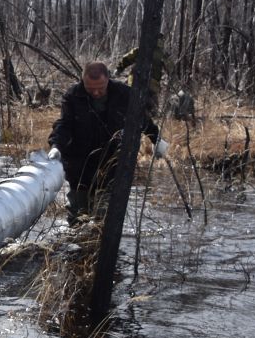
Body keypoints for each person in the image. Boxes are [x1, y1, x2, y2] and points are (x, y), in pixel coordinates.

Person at [48, 61, 170, 222]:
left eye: (100, 88)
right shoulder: (73, 96)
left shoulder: (124, 94)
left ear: (108, 80)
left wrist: (156, 139)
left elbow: (141, 120)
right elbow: (64, 125)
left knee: (103, 218)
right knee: (78, 217)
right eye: (90, 89)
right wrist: (56, 146)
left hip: (112, 166)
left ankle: (100, 244)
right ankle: (77, 245)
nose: (96, 93)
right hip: (79, 167)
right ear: (83, 81)